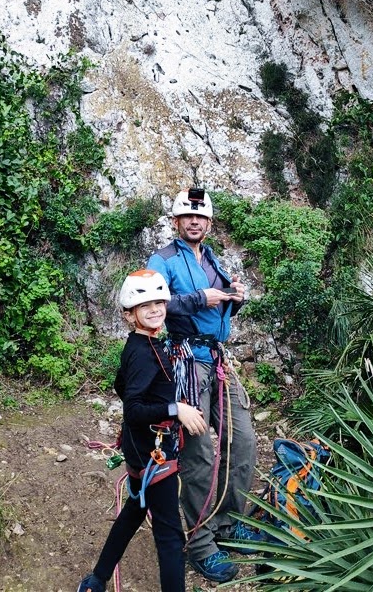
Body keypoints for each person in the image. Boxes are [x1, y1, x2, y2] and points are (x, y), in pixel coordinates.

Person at [147, 188, 261, 584]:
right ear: (176, 222)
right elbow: (155, 306)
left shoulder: (213, 260)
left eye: (201, 217)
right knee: (199, 454)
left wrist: (234, 298)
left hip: (216, 358)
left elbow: (218, 306)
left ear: (209, 224)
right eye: (187, 216)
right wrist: (200, 298)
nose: (194, 222)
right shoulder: (162, 260)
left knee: (243, 439)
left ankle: (228, 523)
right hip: (185, 361)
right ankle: (200, 543)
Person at [77, 269, 207, 592]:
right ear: (129, 314)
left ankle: (96, 580)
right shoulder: (143, 353)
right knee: (170, 537)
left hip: (142, 452)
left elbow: (121, 384)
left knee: (134, 512)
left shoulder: (143, 344)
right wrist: (175, 410)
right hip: (155, 458)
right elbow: (133, 408)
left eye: (159, 303)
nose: (155, 310)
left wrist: (166, 413)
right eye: (145, 306)